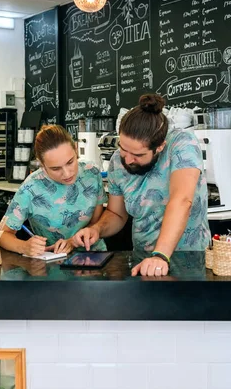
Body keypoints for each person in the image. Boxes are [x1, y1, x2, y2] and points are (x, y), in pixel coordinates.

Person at [73, 94, 210, 277]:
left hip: (189, 259)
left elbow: (181, 200)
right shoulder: (117, 162)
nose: (128, 160)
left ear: (159, 147)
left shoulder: (182, 144)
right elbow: (116, 214)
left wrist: (160, 255)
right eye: (123, 148)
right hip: (143, 262)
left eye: (137, 155)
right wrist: (96, 229)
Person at [1, 124, 106, 257]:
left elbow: (96, 223)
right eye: (56, 169)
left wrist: (72, 242)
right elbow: (2, 235)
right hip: (52, 262)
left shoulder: (92, 173)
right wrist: (24, 246)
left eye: (70, 162)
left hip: (94, 256)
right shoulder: (30, 188)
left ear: (76, 148)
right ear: (42, 165)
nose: (67, 174)